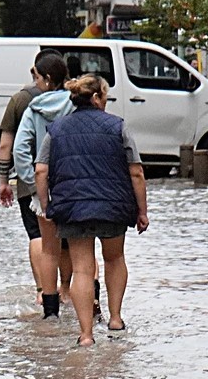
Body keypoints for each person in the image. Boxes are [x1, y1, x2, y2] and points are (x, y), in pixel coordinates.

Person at [34, 75, 149, 346]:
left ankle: (86, 335)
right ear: (96, 98)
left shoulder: (57, 129)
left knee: (82, 269)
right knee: (114, 258)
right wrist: (142, 211)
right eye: (105, 97)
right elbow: (137, 172)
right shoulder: (118, 126)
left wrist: (47, 205)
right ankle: (116, 319)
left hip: (73, 207)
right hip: (113, 206)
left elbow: (41, 169)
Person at [0, 49, 62, 309]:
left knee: (38, 237)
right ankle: (68, 290)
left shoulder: (20, 100)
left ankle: (42, 291)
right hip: (67, 180)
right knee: (68, 242)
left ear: (38, 72)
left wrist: (4, 180)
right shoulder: (73, 99)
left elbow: (6, 146)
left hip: (31, 181)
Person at [13, 53, 74, 319]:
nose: (35, 83)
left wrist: (33, 179)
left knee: (49, 249)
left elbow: (19, 149)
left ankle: (50, 312)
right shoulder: (76, 105)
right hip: (75, 186)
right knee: (80, 247)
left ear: (48, 79)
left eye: (37, 77)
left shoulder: (33, 109)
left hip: (45, 188)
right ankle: (79, 297)